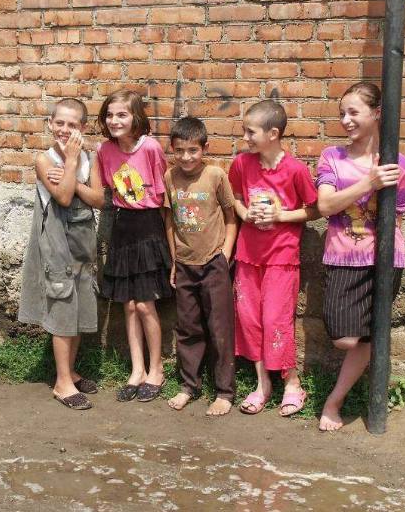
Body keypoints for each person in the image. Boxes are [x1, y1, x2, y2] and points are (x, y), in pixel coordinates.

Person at [316, 82, 405, 431]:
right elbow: (325, 206)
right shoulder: (332, 157)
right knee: (343, 338)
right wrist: (368, 184)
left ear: (376, 114)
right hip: (342, 258)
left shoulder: (399, 165)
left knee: (372, 336)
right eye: (342, 113)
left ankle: (334, 402)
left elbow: (397, 219)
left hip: (385, 262)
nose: (346, 120)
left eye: (353, 112)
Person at [228, 100, 318, 417]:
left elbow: (315, 208)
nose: (246, 138)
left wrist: (281, 214)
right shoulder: (242, 165)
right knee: (249, 319)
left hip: (282, 256)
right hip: (248, 255)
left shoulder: (295, 170)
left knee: (275, 320)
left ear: (273, 133)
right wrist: (245, 215)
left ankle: (292, 383)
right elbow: (236, 198)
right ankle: (262, 383)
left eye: (250, 132)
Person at [18, 98, 104, 410]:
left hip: (82, 243)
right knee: (62, 306)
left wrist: (76, 178)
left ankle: (70, 371)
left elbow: (98, 199)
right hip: (56, 243)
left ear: (83, 128)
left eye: (73, 125)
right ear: (51, 124)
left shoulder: (90, 159)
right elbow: (64, 199)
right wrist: (69, 163)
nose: (65, 130)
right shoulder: (44, 160)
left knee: (79, 306)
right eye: (60, 123)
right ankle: (61, 382)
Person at [96, 90, 172, 403]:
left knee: (145, 304)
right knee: (127, 305)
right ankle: (136, 370)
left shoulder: (151, 147)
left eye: (122, 115)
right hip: (122, 227)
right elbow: (106, 189)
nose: (115, 121)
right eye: (110, 115)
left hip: (148, 226)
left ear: (136, 117)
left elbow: (164, 193)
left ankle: (157, 369)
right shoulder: (104, 150)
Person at [163, 117, 237, 416]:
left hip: (213, 263)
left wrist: (224, 255)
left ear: (204, 148)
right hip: (184, 264)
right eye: (180, 150)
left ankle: (224, 392)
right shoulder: (169, 178)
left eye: (193, 150)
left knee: (219, 328)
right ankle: (188, 386)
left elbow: (232, 216)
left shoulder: (216, 175)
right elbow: (169, 220)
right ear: (172, 149)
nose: (186, 157)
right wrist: (174, 260)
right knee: (188, 327)